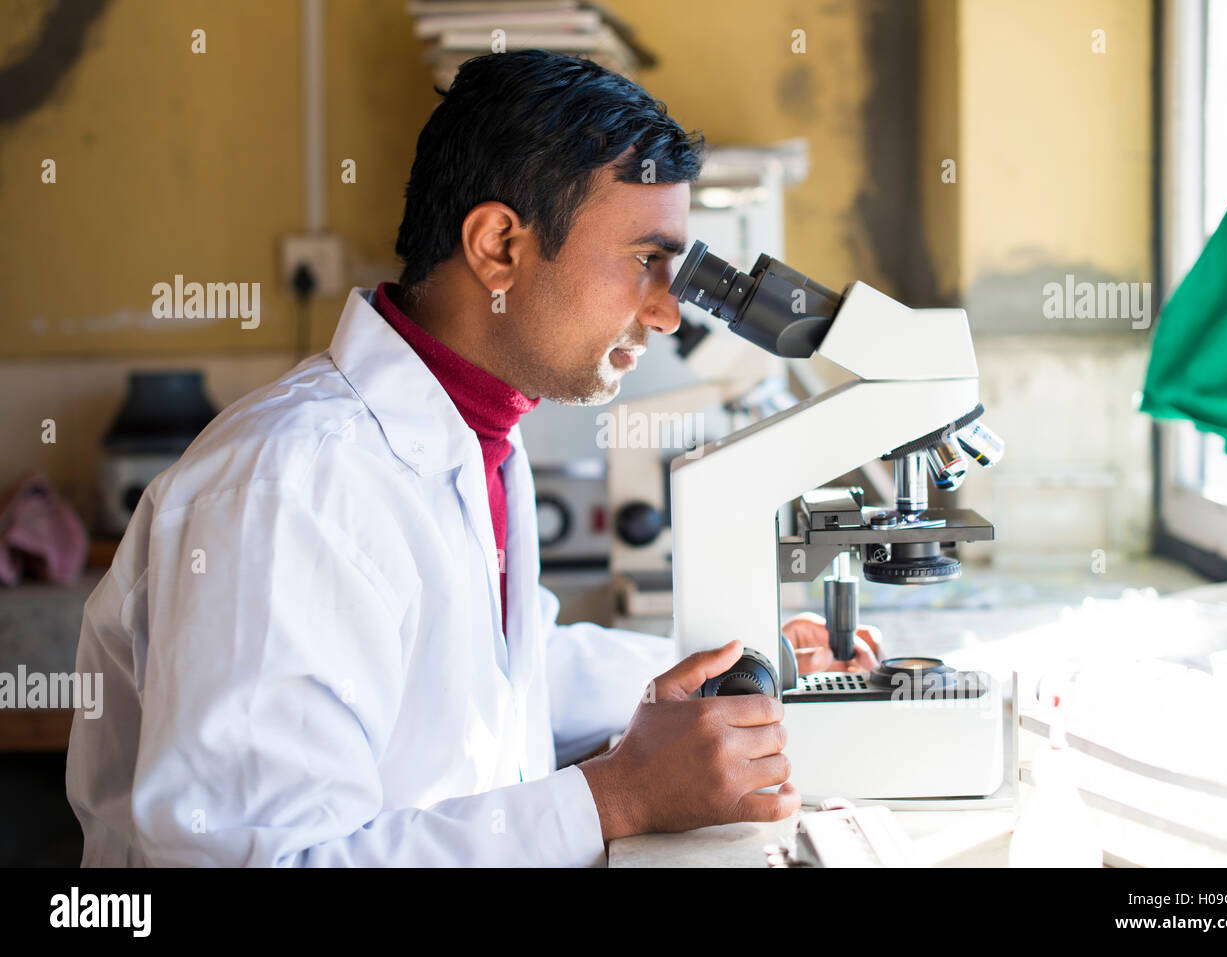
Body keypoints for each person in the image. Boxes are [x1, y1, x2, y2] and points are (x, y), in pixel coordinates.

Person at [66, 49, 881, 867]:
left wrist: (732, 668)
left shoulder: (475, 440)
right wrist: (614, 797)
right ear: (497, 245)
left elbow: (500, 680)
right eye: (644, 259)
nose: (668, 313)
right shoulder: (289, 491)